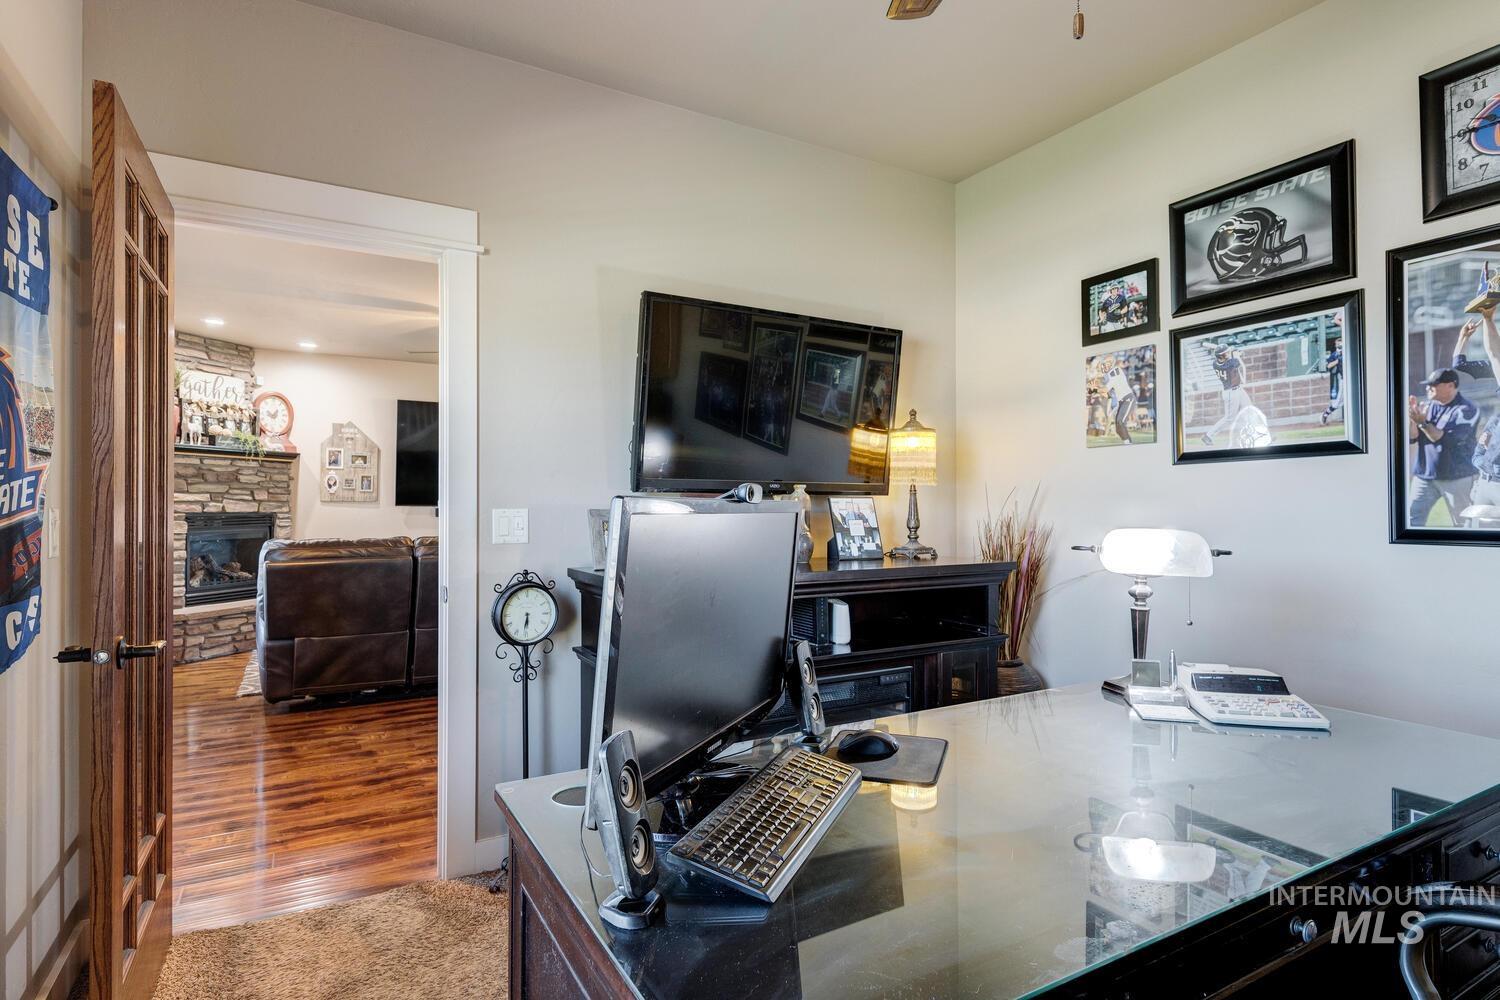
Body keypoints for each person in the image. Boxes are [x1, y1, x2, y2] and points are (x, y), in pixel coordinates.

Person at [1408, 368, 1480, 527]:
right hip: (1425, 475)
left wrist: (1422, 422)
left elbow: (1444, 440)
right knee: (1411, 521)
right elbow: (1413, 438)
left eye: (1434, 384)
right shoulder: (1427, 406)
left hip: (1457, 477)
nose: (1428, 388)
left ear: (1450, 386)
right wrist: (1411, 420)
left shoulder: (1467, 409)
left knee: (1463, 525)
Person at [1201, 343, 1249, 446]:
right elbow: (1236, 362)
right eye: (1225, 353)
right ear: (1221, 356)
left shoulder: (1215, 363)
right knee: (1229, 419)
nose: (1227, 354)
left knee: (1249, 410)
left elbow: (1230, 359)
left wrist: (1232, 353)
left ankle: (1257, 434)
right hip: (1231, 393)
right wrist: (1237, 354)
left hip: (1238, 389)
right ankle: (1208, 435)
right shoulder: (1229, 364)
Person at [1102, 357, 1136, 444]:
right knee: (1118, 428)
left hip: (1128, 398)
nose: (1105, 367)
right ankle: (1128, 443)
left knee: (1120, 422)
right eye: (1104, 365)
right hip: (1121, 401)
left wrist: (1095, 389)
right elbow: (1107, 394)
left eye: (1106, 365)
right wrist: (1095, 390)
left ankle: (1129, 445)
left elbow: (1105, 389)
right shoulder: (1108, 376)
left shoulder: (1115, 370)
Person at [1321, 335, 1343, 425]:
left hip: (1352, 378)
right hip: (1343, 379)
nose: (1340, 346)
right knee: (1337, 403)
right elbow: (1328, 365)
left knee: (1346, 401)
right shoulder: (1334, 355)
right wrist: (1337, 361)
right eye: (1338, 345)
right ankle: (1326, 414)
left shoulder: (1347, 351)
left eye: (1341, 344)